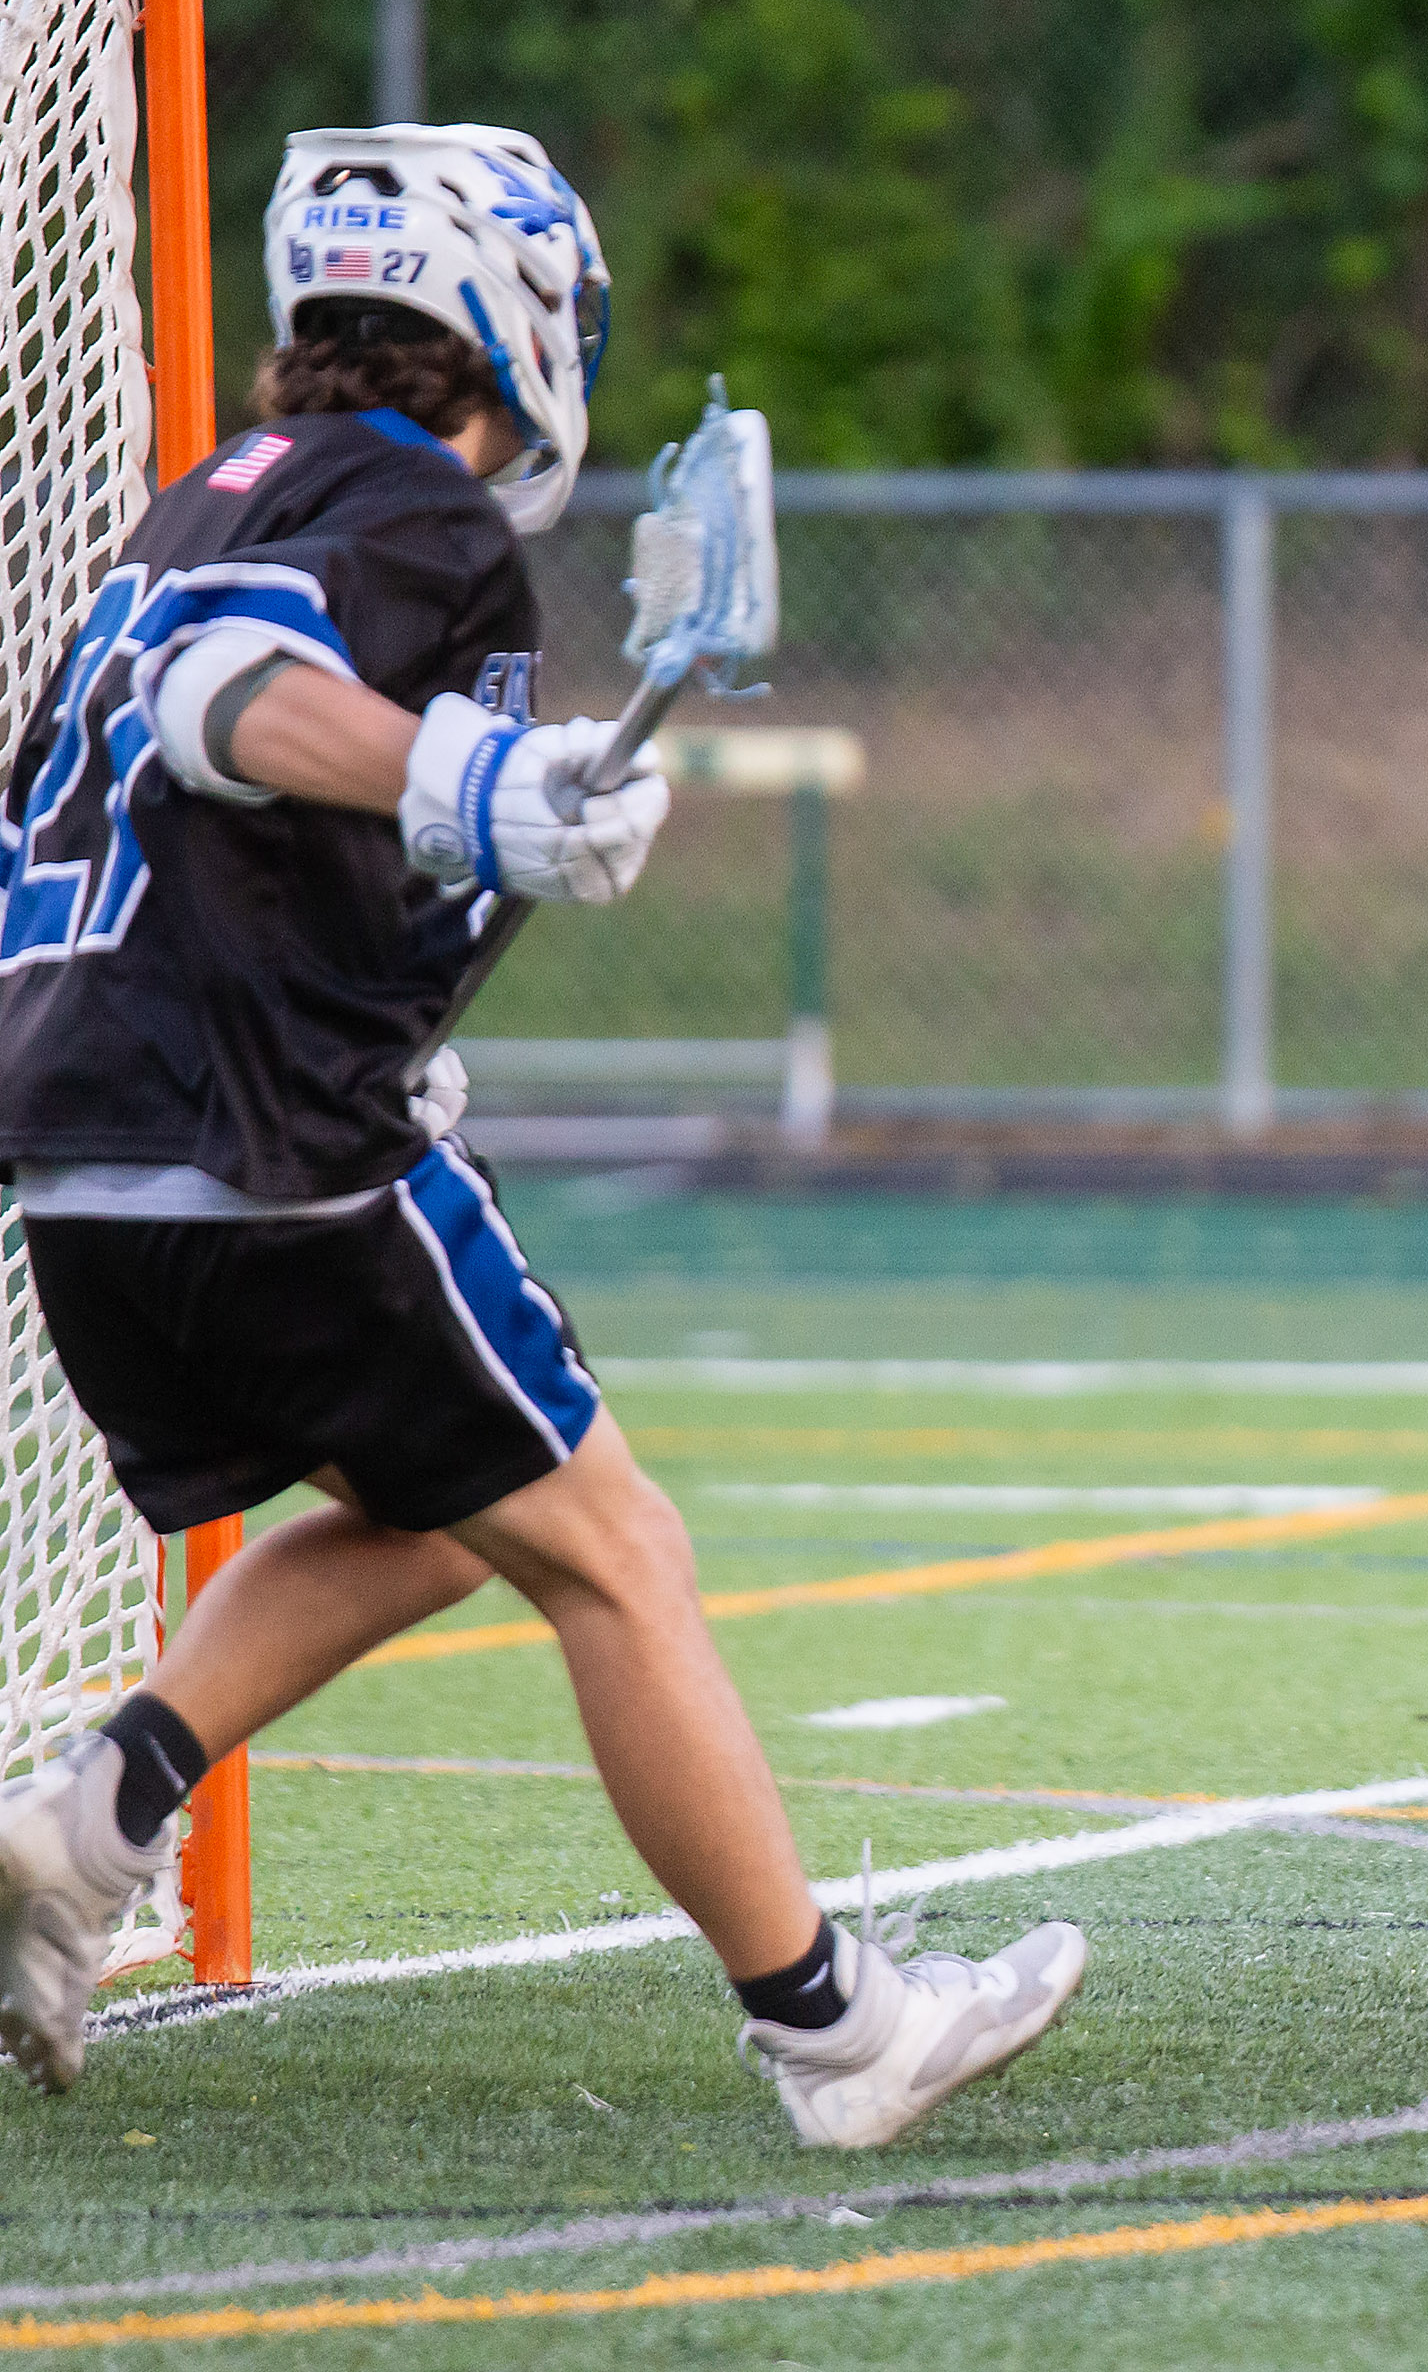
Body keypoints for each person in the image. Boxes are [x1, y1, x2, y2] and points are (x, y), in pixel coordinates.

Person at [0, 124, 1084, 2140]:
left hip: (86, 1177)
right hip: (274, 1162)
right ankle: (837, 2030)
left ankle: (99, 1808)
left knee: (429, 1520)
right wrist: (458, 778)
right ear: (509, 319)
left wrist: (490, 820)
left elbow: (212, 818)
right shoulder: (417, 512)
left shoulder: (187, 509)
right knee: (617, 1551)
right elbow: (230, 703)